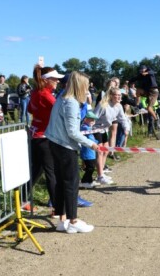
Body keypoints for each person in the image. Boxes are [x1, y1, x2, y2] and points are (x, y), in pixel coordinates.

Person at [45, 71, 100, 234]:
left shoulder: (62, 98)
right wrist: (91, 144)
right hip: (65, 147)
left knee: (62, 183)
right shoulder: (71, 103)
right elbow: (72, 132)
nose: (88, 88)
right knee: (71, 183)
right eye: (86, 85)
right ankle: (73, 220)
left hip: (55, 143)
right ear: (79, 85)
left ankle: (62, 220)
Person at [26, 66, 64, 213]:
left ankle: (23, 199)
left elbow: (30, 109)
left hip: (35, 136)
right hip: (43, 137)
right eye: (54, 79)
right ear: (46, 80)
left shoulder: (36, 92)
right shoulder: (46, 95)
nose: (57, 81)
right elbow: (60, 112)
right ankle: (57, 207)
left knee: (37, 170)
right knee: (51, 172)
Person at [93, 87, 131, 185]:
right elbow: (93, 116)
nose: (118, 97)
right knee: (100, 152)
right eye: (116, 95)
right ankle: (100, 175)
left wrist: (126, 128)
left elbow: (122, 118)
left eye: (120, 95)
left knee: (106, 151)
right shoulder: (103, 105)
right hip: (95, 129)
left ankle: (100, 173)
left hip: (104, 129)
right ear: (111, 96)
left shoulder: (119, 106)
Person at [79, 111, 100, 190]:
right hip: (87, 152)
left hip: (91, 152)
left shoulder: (89, 128)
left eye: (94, 120)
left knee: (91, 167)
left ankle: (89, 181)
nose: (93, 122)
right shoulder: (85, 128)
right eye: (91, 120)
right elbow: (91, 139)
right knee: (90, 167)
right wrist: (96, 142)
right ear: (85, 119)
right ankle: (84, 182)